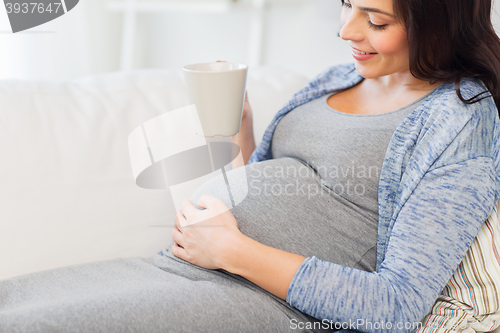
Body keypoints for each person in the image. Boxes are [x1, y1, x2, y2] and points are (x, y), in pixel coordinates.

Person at [1, 0, 499, 332]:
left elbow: (396, 305)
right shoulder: (336, 77)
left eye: (376, 20)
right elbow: (277, 185)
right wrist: (241, 137)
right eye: (348, 4)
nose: (346, 30)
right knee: (14, 303)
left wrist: (230, 250)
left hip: (267, 305)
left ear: (439, 22)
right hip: (177, 267)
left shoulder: (460, 118)